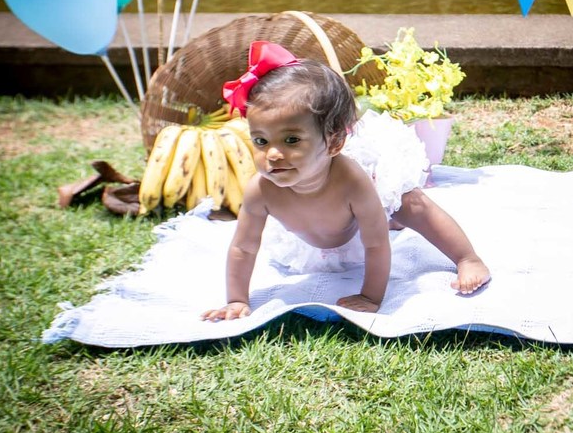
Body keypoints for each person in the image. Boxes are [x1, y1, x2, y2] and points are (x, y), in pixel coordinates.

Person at [201, 41, 490, 322]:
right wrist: (237, 299)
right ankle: (387, 219)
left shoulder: (353, 180)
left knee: (408, 204)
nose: (273, 154)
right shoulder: (261, 191)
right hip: (325, 228)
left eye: (291, 140)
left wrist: (370, 297)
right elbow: (244, 247)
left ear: (334, 142)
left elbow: (376, 244)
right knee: (377, 217)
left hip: (362, 200)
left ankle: (467, 257)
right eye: (261, 140)